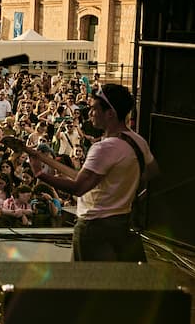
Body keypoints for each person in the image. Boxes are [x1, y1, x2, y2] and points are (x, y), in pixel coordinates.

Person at [29, 83, 155, 261]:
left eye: (94, 109)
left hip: (94, 226)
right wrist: (40, 157)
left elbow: (78, 187)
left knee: (87, 280)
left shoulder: (104, 148)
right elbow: (151, 172)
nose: (89, 113)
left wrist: (39, 174)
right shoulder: (138, 141)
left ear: (110, 113)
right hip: (121, 221)